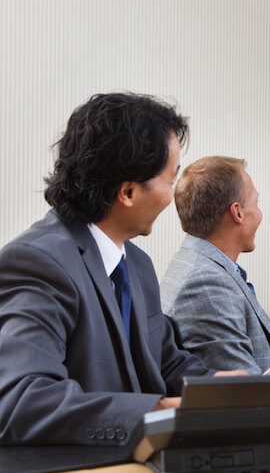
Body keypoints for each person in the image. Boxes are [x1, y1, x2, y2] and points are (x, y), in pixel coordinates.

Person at [0, 93, 243, 447]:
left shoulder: (137, 265)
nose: (172, 194)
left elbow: (164, 361)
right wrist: (159, 410)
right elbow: (22, 402)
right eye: (170, 179)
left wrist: (221, 384)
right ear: (127, 192)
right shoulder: (37, 263)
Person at [161, 156, 270, 374]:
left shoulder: (197, 264)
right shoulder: (206, 284)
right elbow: (240, 390)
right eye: (256, 202)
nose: (258, 213)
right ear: (237, 212)